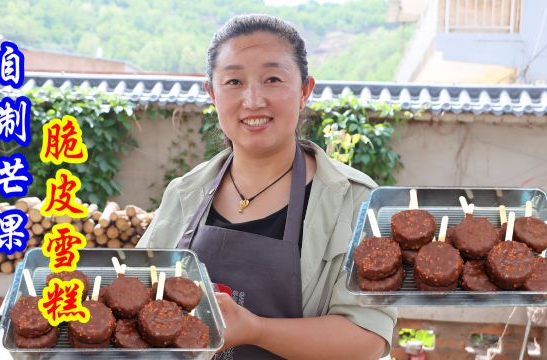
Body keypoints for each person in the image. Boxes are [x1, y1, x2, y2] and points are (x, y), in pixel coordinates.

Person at [137, 14, 396, 359]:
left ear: (305, 90)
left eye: (272, 79)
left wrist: (257, 330)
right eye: (233, 82)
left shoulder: (354, 201)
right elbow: (138, 300)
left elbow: (368, 338)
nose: (253, 100)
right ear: (211, 93)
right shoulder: (184, 193)